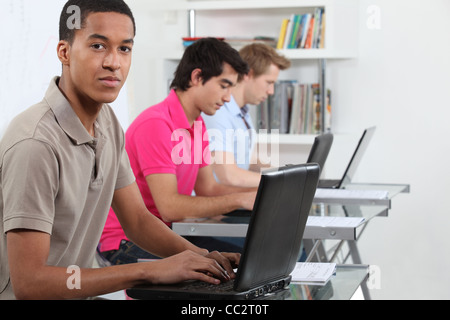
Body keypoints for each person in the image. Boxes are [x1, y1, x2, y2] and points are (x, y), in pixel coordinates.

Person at [0, 0, 240, 300]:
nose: (114, 62)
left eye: (124, 48)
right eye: (98, 46)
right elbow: (30, 283)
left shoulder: (106, 123)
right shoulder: (35, 143)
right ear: (64, 52)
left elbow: (138, 220)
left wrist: (204, 258)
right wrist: (148, 269)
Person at [99, 38, 257, 265]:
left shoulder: (198, 124)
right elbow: (170, 208)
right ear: (196, 77)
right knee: (221, 273)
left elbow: (208, 188)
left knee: (246, 261)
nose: (227, 98)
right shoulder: (156, 124)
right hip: (126, 241)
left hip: (166, 235)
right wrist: (240, 200)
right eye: (223, 86)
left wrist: (259, 193)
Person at [203, 43, 291, 188]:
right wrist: (281, 181)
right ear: (248, 74)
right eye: (269, 83)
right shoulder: (217, 113)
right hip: (216, 205)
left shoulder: (243, 113)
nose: (271, 91)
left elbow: (243, 159)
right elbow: (228, 175)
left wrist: (283, 173)